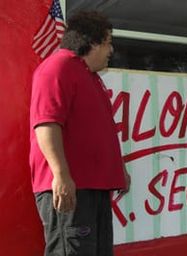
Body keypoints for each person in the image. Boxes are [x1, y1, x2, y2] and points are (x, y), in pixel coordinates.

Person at [30, 11, 130, 256]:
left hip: (94, 188)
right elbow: (46, 125)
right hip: (72, 190)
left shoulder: (90, 76)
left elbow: (99, 131)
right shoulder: (57, 68)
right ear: (92, 42)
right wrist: (61, 176)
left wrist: (120, 169)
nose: (111, 50)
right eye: (107, 42)